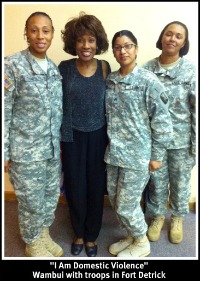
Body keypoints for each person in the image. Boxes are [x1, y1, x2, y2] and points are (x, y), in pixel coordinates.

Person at [104, 30, 173, 257]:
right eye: (118, 47)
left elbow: (162, 122)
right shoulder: (111, 80)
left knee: (127, 204)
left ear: (136, 49)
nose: (123, 51)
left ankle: (142, 242)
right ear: (113, 51)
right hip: (114, 154)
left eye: (128, 46)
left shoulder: (148, 81)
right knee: (116, 201)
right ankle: (133, 236)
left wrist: (157, 156)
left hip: (138, 156)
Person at [4, 12, 63, 257]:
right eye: (34, 30)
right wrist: (4, 151)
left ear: (52, 34)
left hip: (51, 150)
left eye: (46, 30)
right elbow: (4, 110)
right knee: (30, 202)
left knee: (50, 197)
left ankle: (43, 233)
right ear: (26, 33)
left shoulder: (53, 69)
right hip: (25, 152)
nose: (40, 36)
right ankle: (32, 242)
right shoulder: (11, 65)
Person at [58, 12, 111, 257]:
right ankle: (78, 232)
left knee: (95, 186)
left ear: (98, 42)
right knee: (75, 186)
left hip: (99, 136)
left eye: (91, 40)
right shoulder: (65, 68)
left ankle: (92, 235)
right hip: (71, 137)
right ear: (73, 43)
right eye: (80, 40)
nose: (86, 46)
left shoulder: (105, 67)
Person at [142, 21, 196, 244]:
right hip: (156, 143)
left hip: (182, 142)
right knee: (156, 183)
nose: (172, 39)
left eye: (178, 36)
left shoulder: (191, 71)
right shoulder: (147, 70)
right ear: (162, 37)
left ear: (184, 42)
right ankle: (157, 217)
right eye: (169, 34)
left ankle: (176, 218)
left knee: (181, 183)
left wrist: (196, 145)